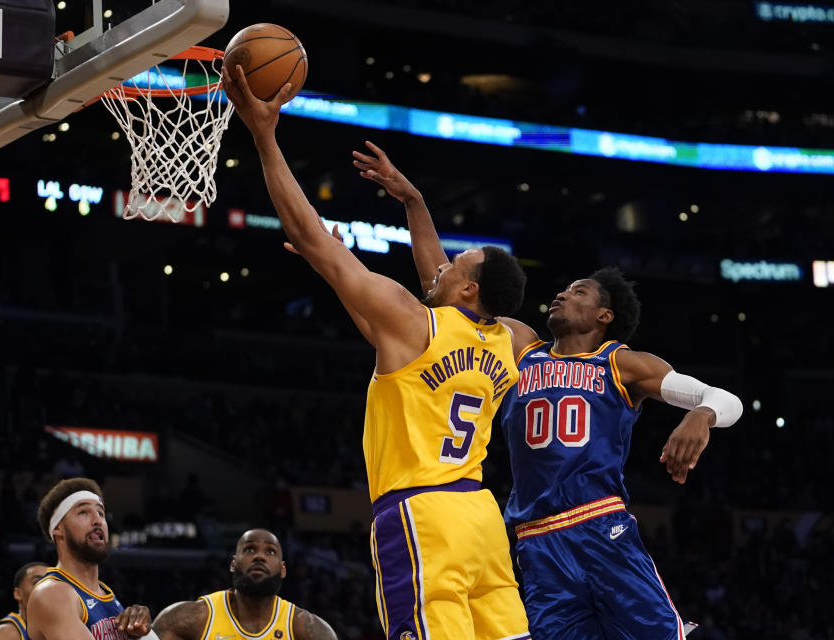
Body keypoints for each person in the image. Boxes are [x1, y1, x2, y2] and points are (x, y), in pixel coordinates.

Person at [354, 142, 744, 640]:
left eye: (579, 291)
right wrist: (414, 202)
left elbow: (723, 398)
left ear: (605, 316)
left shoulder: (621, 363)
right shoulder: (520, 347)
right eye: (564, 289)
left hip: (599, 526)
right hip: (533, 541)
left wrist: (700, 416)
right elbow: (445, 286)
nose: (562, 293)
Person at [222, 65, 532, 640]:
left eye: (456, 262)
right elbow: (437, 282)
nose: (441, 263)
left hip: (421, 514)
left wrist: (264, 136)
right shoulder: (506, 337)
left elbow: (310, 235)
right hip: (483, 518)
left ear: (468, 290)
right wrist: (413, 201)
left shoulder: (412, 321)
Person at [26, 477, 153, 640]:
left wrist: (143, 633)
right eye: (83, 512)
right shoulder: (52, 593)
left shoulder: (105, 592)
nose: (97, 521)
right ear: (58, 528)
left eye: (101, 513)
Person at [151, 529, 336, 639]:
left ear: (283, 569)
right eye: (249, 549)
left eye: (270, 552)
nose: (259, 556)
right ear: (233, 563)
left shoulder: (308, 629)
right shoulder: (188, 619)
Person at [0, 562, 48, 640]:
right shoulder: (5, 634)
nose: (46, 588)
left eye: (50, 582)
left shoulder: (56, 630)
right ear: (18, 594)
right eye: (37, 582)